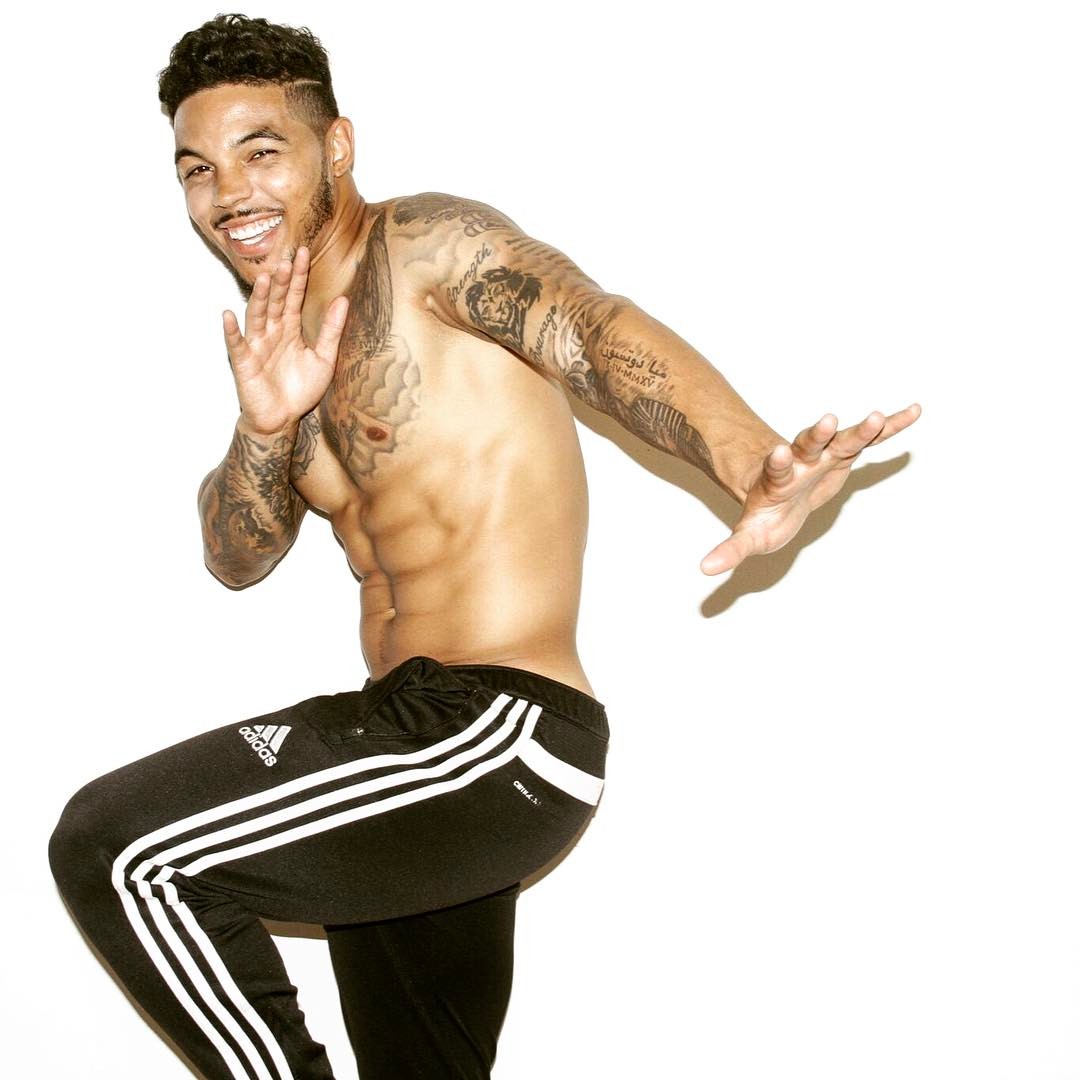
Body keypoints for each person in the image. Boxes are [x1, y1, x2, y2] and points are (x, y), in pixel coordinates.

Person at [48, 13, 921, 1080]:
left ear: (337, 145)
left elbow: (591, 328)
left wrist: (750, 462)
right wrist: (266, 426)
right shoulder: (281, 348)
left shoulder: (425, 247)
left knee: (117, 849)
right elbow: (236, 556)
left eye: (261, 151)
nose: (230, 192)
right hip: (405, 747)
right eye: (198, 169)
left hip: (495, 728)